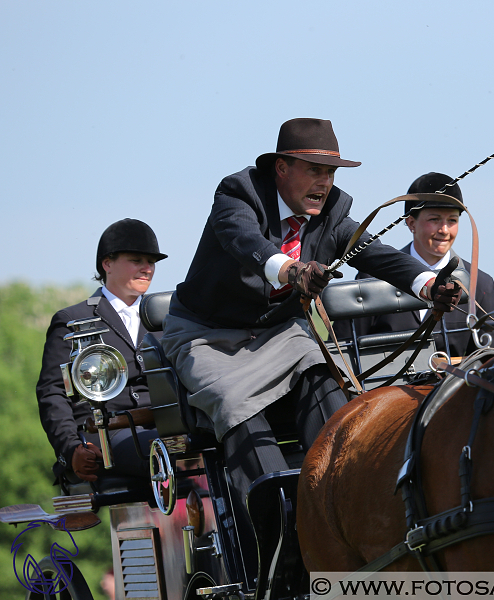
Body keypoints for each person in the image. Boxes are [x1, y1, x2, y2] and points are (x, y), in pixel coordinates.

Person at [160, 118, 460, 510]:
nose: (325, 182)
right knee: (233, 403)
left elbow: (373, 251)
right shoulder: (239, 193)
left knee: (323, 373)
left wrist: (429, 284)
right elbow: (243, 239)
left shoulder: (334, 209)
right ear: (281, 168)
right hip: (206, 335)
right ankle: (280, 512)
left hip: (278, 332)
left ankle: (353, 491)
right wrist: (291, 270)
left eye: (330, 172)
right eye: (314, 170)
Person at [36, 219, 167, 486]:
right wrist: (71, 447)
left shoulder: (170, 315)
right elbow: (53, 393)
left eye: (151, 262)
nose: (147, 268)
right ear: (107, 264)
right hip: (110, 434)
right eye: (136, 260)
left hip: (169, 424)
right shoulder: (73, 319)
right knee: (164, 451)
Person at [335, 172, 494, 357]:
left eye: (452, 220)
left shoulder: (481, 284)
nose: (444, 230)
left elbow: (487, 362)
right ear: (411, 223)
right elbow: (344, 352)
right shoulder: (372, 277)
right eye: (434, 220)